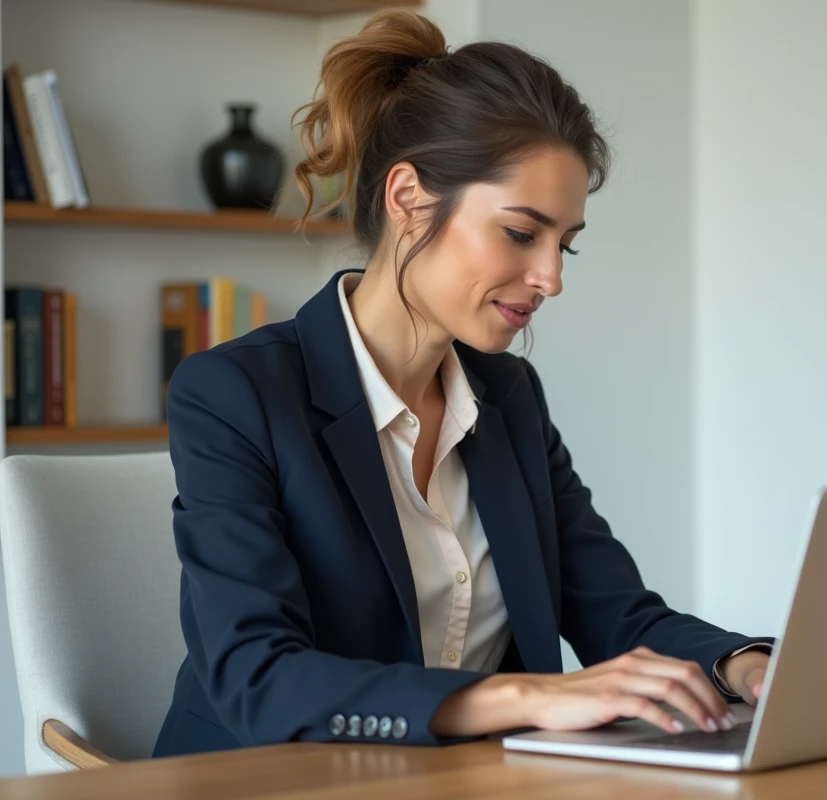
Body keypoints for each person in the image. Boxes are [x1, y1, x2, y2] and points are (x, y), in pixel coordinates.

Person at [153, 9, 772, 758]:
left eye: (564, 245)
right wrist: (525, 697)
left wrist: (742, 665)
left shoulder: (509, 399)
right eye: (520, 232)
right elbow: (258, 680)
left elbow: (616, 613)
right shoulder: (233, 394)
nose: (549, 278)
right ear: (408, 198)